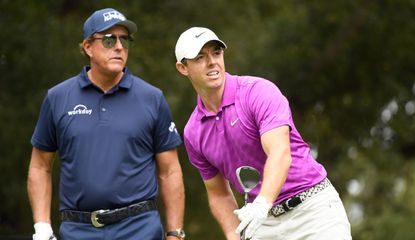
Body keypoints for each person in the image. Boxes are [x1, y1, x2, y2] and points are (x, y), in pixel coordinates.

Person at [174, 27, 352, 240]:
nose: (212, 62)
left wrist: (262, 203)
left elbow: (279, 153)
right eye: (200, 57)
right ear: (183, 68)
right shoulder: (193, 132)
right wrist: (235, 235)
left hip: (312, 212)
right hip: (263, 225)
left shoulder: (257, 92)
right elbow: (218, 193)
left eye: (216, 53)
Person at [27, 8, 186, 240]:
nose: (119, 47)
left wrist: (175, 233)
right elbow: (40, 167)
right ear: (88, 47)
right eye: (110, 40)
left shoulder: (151, 98)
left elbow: (170, 171)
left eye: (125, 40)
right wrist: (42, 227)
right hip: (78, 230)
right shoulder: (58, 98)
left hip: (139, 228)